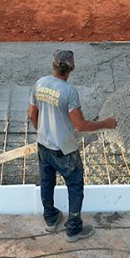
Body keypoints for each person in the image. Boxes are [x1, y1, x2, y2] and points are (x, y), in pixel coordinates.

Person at [28, 50, 117, 242]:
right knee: (75, 185)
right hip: (65, 150)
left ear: (53, 65)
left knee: (47, 182)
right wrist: (105, 124)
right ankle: (73, 229)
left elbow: (32, 115)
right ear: (71, 68)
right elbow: (80, 125)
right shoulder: (69, 92)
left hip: (43, 146)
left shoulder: (40, 83)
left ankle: (51, 219)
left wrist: (43, 132)